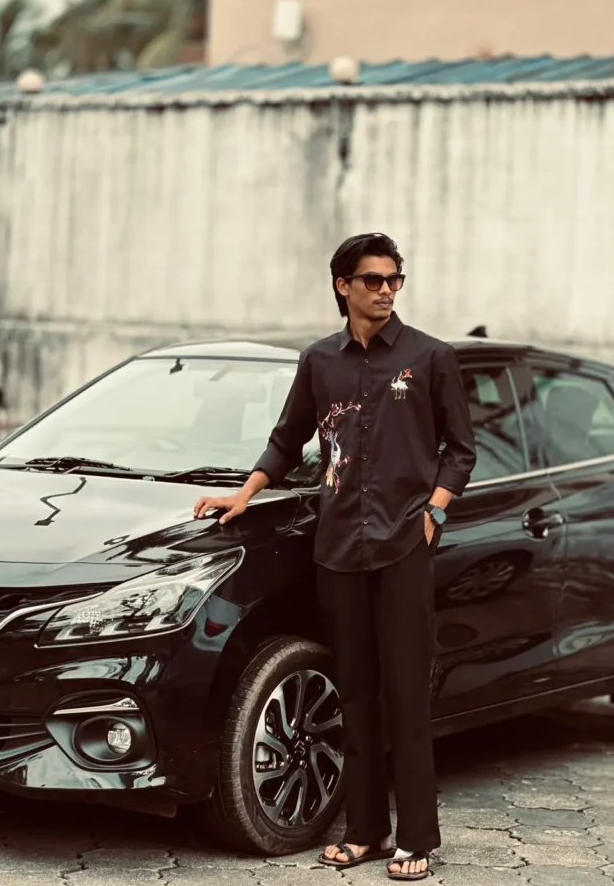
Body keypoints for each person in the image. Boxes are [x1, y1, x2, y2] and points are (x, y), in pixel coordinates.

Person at [193, 232, 476, 882]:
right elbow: (289, 437)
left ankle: (417, 840)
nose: (385, 289)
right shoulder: (320, 361)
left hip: (404, 549)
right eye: (372, 279)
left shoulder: (430, 358)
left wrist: (433, 511)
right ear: (342, 285)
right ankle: (367, 832)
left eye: (394, 279)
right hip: (339, 550)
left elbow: (460, 448)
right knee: (356, 697)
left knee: (405, 696)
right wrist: (245, 493)